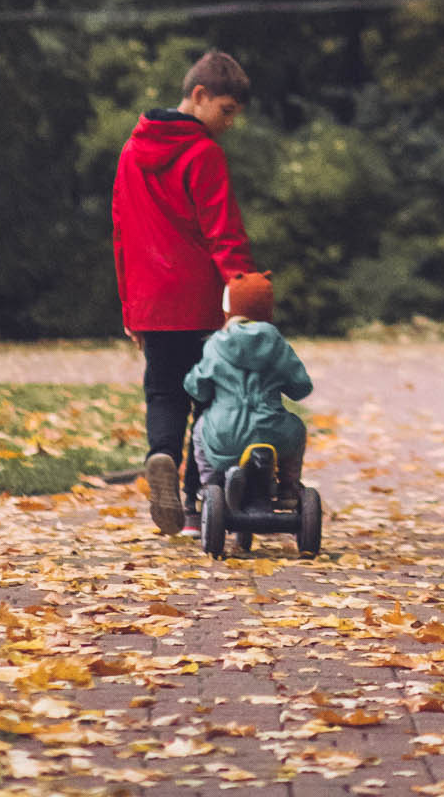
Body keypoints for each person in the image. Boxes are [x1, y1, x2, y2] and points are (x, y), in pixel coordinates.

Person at [111, 48, 254, 538]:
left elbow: (122, 232)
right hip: (199, 299)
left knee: (163, 391)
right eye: (227, 110)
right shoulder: (203, 154)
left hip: (150, 300)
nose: (230, 123)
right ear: (199, 96)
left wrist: (130, 307)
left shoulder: (132, 152)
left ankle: (161, 457)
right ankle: (195, 506)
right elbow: (223, 233)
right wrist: (243, 295)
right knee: (210, 400)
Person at [185, 270, 313, 541]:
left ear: (228, 310)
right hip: (274, 432)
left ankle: (211, 484)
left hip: (225, 434)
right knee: (298, 428)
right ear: (268, 311)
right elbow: (301, 388)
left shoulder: (216, 345)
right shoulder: (276, 343)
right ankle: (288, 488)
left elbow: (196, 387)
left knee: (198, 431)